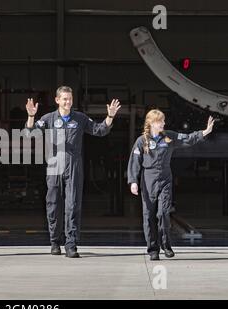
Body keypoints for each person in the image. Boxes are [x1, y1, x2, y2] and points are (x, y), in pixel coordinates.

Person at [25, 86, 121, 258]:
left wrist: (110, 116)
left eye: (70, 99)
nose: (68, 102)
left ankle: (71, 244)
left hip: (74, 165)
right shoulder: (48, 118)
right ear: (57, 100)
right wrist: (31, 116)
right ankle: (55, 241)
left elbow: (99, 130)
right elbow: (30, 132)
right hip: (54, 165)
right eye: (64, 99)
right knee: (53, 204)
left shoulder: (80, 118)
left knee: (73, 205)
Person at [127, 109, 215, 260]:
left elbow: (187, 138)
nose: (163, 123)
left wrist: (205, 132)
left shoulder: (169, 136)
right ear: (152, 123)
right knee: (148, 216)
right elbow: (134, 162)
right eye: (160, 121)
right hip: (148, 181)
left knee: (163, 214)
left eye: (163, 120)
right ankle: (153, 249)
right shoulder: (141, 141)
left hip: (165, 180)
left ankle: (166, 245)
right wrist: (133, 181)